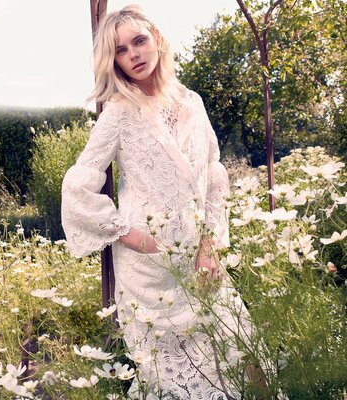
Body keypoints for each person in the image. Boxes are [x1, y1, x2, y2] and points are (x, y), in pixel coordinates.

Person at [61, 4, 263, 399]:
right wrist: (128, 234)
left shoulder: (192, 103)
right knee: (180, 383)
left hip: (201, 263)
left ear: (156, 38)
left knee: (245, 363)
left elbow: (214, 176)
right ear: (114, 60)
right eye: (120, 50)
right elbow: (78, 186)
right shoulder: (118, 113)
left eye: (139, 41)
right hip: (149, 271)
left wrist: (211, 244)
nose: (133, 54)